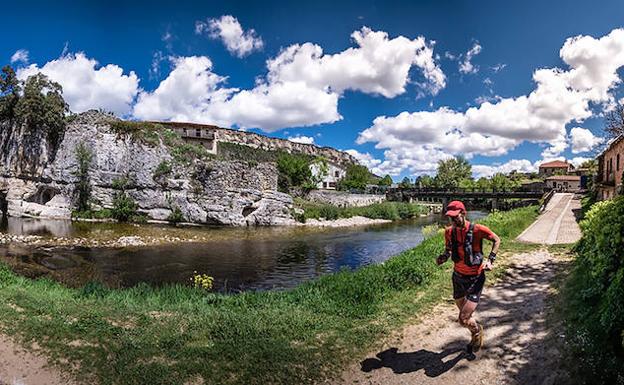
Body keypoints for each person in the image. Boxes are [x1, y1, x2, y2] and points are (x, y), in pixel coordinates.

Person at [435, 200, 500, 353]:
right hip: (457, 278)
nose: (453, 220)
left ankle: (477, 333)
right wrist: (443, 258)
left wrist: (490, 260)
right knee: (465, 318)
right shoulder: (449, 232)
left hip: (475, 280)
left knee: (463, 319)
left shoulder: (478, 229)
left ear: (463, 214)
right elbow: (449, 250)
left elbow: (497, 240)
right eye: (450, 218)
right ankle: (475, 330)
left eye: (455, 217)